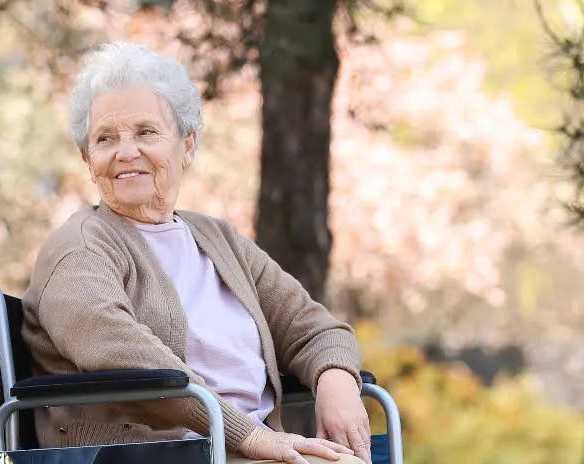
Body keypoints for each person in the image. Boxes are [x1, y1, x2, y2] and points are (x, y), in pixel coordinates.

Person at [22, 41, 371, 464]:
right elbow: (122, 353)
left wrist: (336, 381)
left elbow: (313, 327)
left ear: (187, 145)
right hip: (157, 455)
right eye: (105, 138)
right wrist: (252, 436)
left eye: (146, 132)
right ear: (86, 158)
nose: (126, 151)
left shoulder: (217, 239)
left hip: (249, 452)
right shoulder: (78, 250)